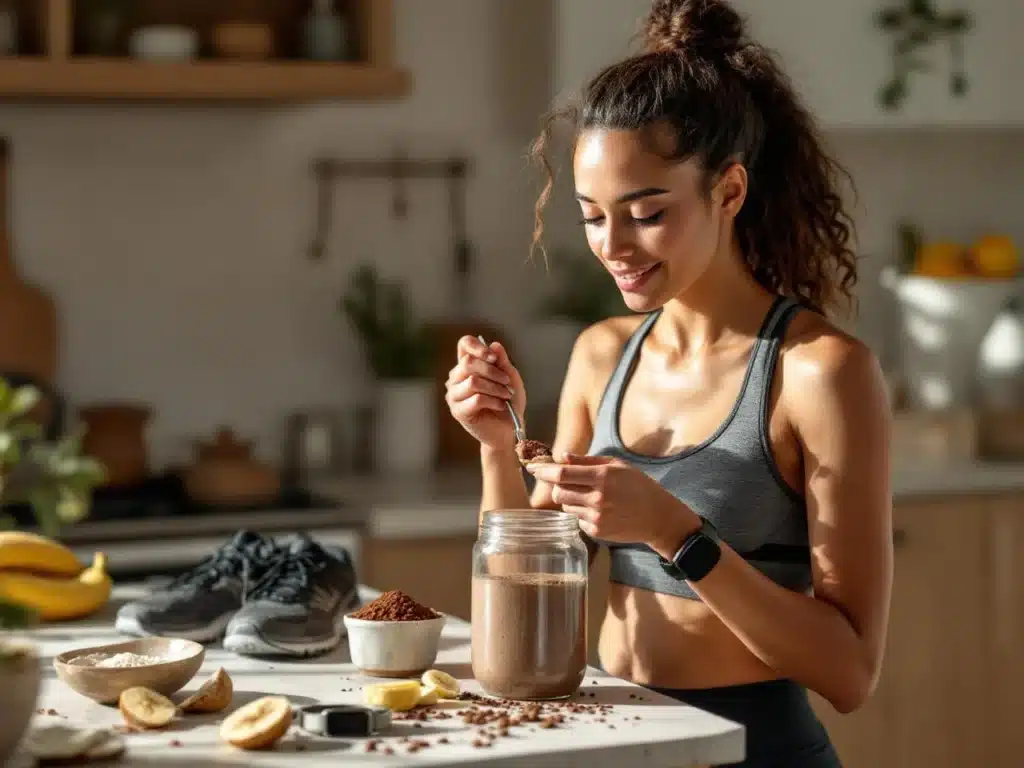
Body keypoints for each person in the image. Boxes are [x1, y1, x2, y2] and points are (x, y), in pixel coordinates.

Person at [444, 0, 892, 765]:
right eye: (590, 217)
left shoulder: (819, 372)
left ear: (729, 192)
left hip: (757, 749)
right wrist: (495, 448)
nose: (613, 246)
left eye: (646, 213)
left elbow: (848, 672)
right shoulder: (601, 354)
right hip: (616, 737)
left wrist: (673, 531)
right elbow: (521, 624)